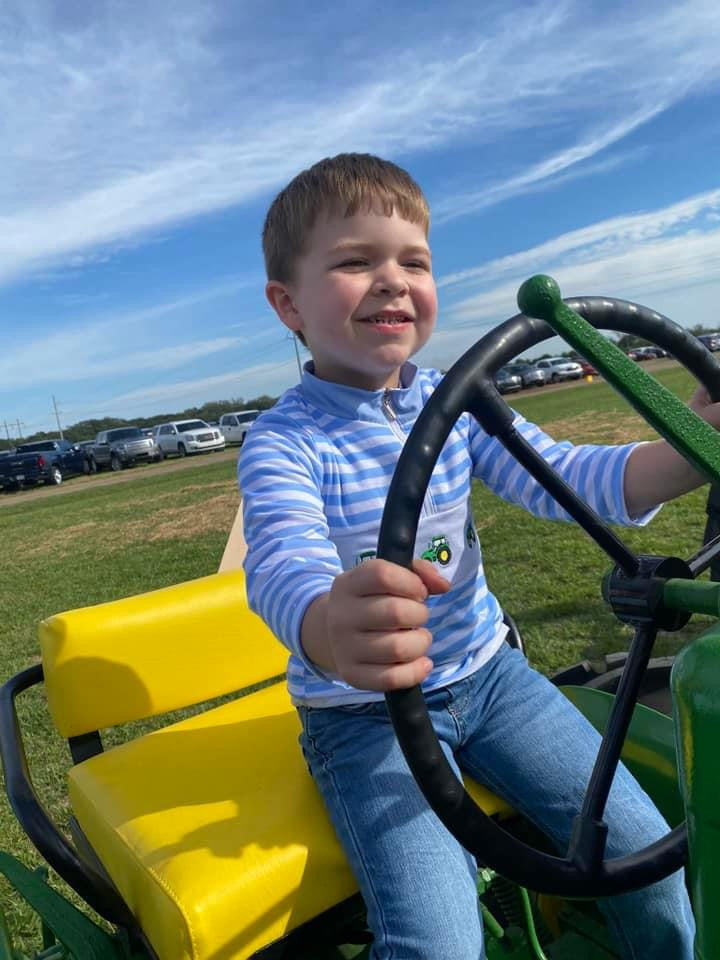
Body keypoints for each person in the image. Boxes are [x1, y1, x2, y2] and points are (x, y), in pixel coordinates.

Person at [239, 153, 708, 959]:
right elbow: (281, 561)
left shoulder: (456, 403)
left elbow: (567, 475)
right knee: (439, 946)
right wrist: (327, 625)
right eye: (356, 262)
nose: (392, 280)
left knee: (647, 863)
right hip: (364, 717)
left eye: (413, 262)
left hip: (495, 681)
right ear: (289, 304)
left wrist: (690, 447)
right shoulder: (283, 440)